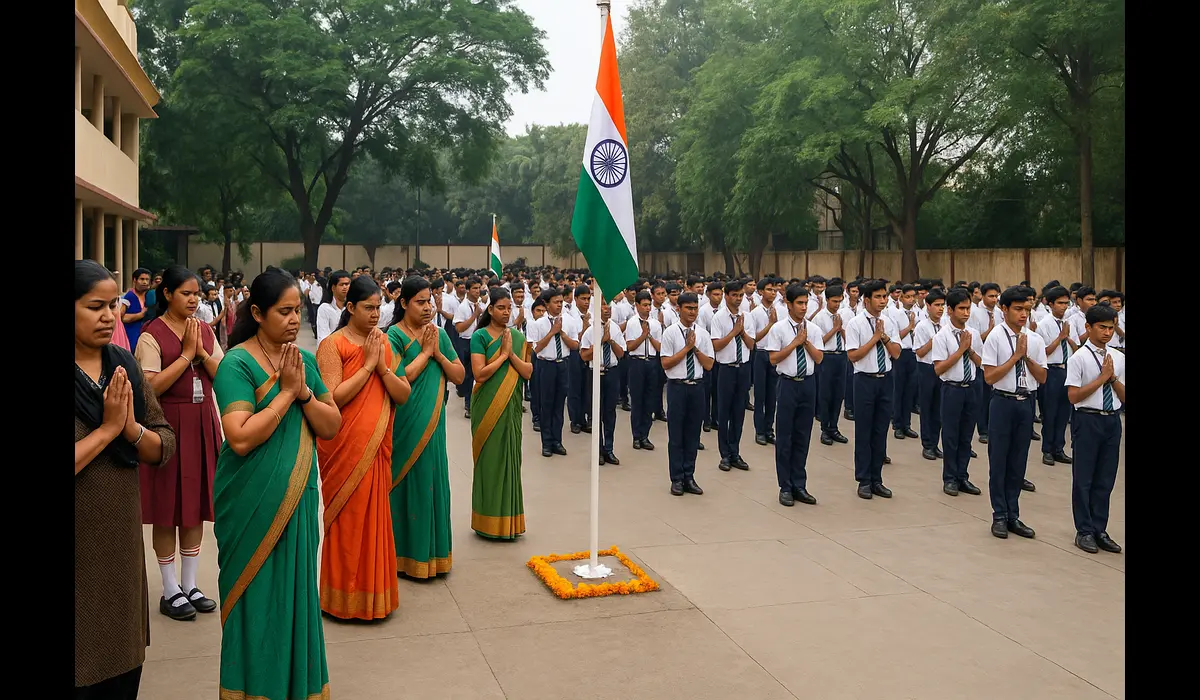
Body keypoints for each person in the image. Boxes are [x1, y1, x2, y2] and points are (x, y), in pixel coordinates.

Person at [212, 268, 342, 700]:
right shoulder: (236, 363)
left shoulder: (302, 361)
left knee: (296, 595)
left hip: (298, 498)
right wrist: (287, 393)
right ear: (256, 313)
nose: (293, 319)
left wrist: (303, 393)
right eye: (283, 311)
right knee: (257, 599)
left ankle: (295, 687)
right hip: (251, 501)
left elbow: (331, 424)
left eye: (295, 310)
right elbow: (241, 437)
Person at [76, 260, 175, 700]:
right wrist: (106, 430)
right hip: (79, 549)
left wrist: (131, 429)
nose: (108, 315)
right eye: (94, 306)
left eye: (113, 305)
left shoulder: (122, 365)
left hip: (119, 546)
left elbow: (164, 444)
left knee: (121, 669)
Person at [315, 276, 412, 619]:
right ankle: (341, 599)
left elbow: (402, 393)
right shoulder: (333, 345)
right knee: (348, 521)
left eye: (378, 307)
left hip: (376, 450)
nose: (375, 314)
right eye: (368, 308)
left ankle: (374, 597)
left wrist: (382, 367)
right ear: (350, 307)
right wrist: (368, 365)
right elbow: (332, 398)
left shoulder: (383, 343)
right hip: (344, 448)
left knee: (374, 520)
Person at [134, 266, 225, 621]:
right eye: (186, 293)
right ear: (167, 293)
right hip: (167, 426)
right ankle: (169, 588)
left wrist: (201, 353)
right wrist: (187, 355)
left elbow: (222, 372)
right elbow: (150, 388)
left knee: (194, 505)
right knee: (167, 507)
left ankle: (191, 584)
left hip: (202, 422)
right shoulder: (150, 335)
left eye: (197, 294)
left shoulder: (202, 329)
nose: (193, 300)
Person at [387, 277, 465, 577]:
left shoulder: (439, 334)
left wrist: (439, 353)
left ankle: (432, 555)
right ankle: (401, 556)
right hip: (405, 422)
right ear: (404, 303)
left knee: (432, 482)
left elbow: (459, 375)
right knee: (406, 482)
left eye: (430, 301)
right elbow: (398, 376)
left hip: (434, 425)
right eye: (420, 302)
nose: (427, 308)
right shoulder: (393, 335)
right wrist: (425, 353)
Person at [981, 286, 1048, 540]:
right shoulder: (995, 337)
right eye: (1018, 309)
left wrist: (1027, 357)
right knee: (999, 460)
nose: (1023, 315)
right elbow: (989, 376)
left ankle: (1013, 514)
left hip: (1025, 402)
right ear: (1004, 309)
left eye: (1027, 310)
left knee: (1018, 461)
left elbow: (1042, 377)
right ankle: (999, 514)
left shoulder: (1035, 339)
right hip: (1002, 402)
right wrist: (1015, 357)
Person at [470, 287, 534, 538]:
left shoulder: (518, 337)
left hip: (511, 407)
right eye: (501, 308)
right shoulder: (480, 337)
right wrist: (503, 356)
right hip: (486, 407)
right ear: (490, 309)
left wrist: (511, 356)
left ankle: (510, 522)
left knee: (510, 459)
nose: (506, 312)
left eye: (509, 308)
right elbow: (479, 373)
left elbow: (527, 372)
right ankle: (486, 523)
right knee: (490, 461)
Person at [1065, 304, 1125, 554]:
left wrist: (1112, 378)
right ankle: (1084, 530)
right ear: (1088, 327)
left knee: (1105, 478)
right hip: (1087, 419)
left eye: (1111, 328)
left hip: (1111, 420)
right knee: (1084, 478)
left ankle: (1100, 527)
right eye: (1102, 327)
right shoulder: (1078, 357)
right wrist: (1100, 379)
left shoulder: (1119, 357)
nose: (1107, 333)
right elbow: (1073, 396)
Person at [845, 280, 901, 499]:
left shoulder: (889, 322)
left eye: (884, 296)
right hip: (864, 380)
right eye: (878, 297)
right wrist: (874, 339)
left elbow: (896, 353)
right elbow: (853, 355)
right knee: (864, 431)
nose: (883, 301)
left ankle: (877, 479)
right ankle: (864, 479)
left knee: (880, 431)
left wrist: (884, 336)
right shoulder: (856, 324)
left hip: (885, 379)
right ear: (866, 300)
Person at [768, 284, 823, 507]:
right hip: (788, 384)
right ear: (788, 304)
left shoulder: (814, 329)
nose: (803, 307)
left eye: (805, 303)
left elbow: (819, 358)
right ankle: (785, 486)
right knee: (785, 437)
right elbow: (773, 359)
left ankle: (800, 484)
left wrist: (806, 341)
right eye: (799, 303)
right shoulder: (779, 329)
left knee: (803, 435)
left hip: (808, 384)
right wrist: (794, 343)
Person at [930, 289, 984, 497]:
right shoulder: (941, 336)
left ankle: (963, 476)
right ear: (950, 310)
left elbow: (982, 363)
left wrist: (969, 349)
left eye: (968, 308)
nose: (965, 313)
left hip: (971, 387)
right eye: (961, 308)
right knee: (951, 435)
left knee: (966, 435)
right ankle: (950, 478)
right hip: (952, 389)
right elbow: (938, 368)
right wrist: (961, 350)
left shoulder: (973, 334)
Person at [660, 292, 715, 496]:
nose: (692, 312)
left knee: (693, 434)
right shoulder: (671, 333)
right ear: (679, 309)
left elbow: (709, 364)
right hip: (677, 387)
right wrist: (687, 348)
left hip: (697, 387)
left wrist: (696, 349)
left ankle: (689, 476)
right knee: (676, 435)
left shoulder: (703, 334)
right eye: (688, 308)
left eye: (695, 308)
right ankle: (676, 478)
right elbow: (666, 363)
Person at [526, 288, 578, 458]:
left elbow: (574, 345)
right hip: (545, 365)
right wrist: (552, 332)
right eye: (555, 302)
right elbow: (536, 348)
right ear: (546, 304)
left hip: (563, 364)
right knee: (546, 405)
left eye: (561, 302)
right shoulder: (537, 324)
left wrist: (561, 333)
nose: (559, 305)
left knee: (559, 404)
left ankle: (557, 441)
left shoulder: (569, 321)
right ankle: (546, 442)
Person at [711, 280, 756, 471]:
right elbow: (716, 346)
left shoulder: (747, 317)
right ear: (726, 295)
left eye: (740, 295)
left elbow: (751, 345)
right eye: (734, 295)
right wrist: (733, 332)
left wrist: (742, 331)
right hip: (726, 369)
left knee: (739, 412)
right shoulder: (718, 318)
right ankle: (724, 455)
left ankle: (735, 451)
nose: (738, 299)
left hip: (743, 368)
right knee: (724, 412)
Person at [1035, 286, 1078, 467]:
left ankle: (1059, 448)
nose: (1064, 306)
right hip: (1051, 370)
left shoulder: (1070, 323)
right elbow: (1043, 352)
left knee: (1063, 412)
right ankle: (1047, 450)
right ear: (1050, 304)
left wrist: (1068, 339)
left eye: (1066, 303)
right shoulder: (1044, 324)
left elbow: (1076, 348)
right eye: (1060, 303)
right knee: (1050, 412)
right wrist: (1060, 338)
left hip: (1067, 369)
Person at [580, 298, 626, 465]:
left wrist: (610, 340)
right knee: (596, 413)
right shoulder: (590, 331)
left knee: (610, 413)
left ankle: (609, 449)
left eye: (609, 306)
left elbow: (621, 354)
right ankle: (598, 450)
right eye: (604, 306)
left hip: (612, 372)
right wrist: (601, 341)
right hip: (595, 372)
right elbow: (584, 356)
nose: (607, 309)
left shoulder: (615, 328)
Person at [813, 285, 851, 446]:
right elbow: (818, 342)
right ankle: (824, 429)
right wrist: (834, 329)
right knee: (826, 394)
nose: (837, 304)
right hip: (826, 357)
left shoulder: (844, 315)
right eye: (834, 301)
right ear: (827, 300)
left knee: (838, 394)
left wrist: (841, 328)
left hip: (841, 356)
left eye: (840, 301)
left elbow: (850, 338)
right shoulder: (819, 318)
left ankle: (834, 427)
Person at [625, 289, 663, 451]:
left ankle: (645, 435)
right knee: (637, 400)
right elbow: (630, 346)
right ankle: (636, 435)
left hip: (652, 362)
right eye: (644, 305)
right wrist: (642, 335)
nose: (647, 308)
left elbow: (660, 347)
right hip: (637, 362)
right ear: (637, 305)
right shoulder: (632, 323)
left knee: (649, 400)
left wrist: (650, 336)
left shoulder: (655, 324)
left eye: (649, 305)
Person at [912, 288, 946, 461]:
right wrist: (935, 340)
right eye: (937, 305)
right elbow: (919, 352)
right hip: (927, 368)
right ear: (928, 306)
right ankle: (927, 444)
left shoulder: (946, 324)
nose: (940, 309)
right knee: (927, 407)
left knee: (939, 409)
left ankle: (935, 442)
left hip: (943, 368)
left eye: (942, 305)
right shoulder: (922, 327)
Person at [748, 278, 779, 446]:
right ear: (760, 292)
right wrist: (771, 324)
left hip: (775, 354)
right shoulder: (755, 313)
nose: (772, 293)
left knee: (772, 396)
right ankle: (759, 431)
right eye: (769, 289)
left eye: (774, 290)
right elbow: (753, 339)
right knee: (760, 395)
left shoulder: (780, 310)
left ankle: (769, 429)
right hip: (760, 354)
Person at [452, 276, 488, 418]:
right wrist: (474, 315)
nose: (477, 291)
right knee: (468, 374)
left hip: (480, 341)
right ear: (467, 290)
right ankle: (468, 404)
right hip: (466, 341)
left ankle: (479, 401)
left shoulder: (482, 305)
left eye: (479, 288)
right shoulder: (462, 307)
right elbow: (459, 328)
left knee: (480, 373)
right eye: (474, 288)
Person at [316, 269, 351, 345]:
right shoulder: (324, 309)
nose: (345, 287)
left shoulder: (353, 308)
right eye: (341, 284)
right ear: (333, 288)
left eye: (347, 284)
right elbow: (323, 337)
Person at [123, 268, 153, 351]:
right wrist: (141, 315)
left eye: (147, 279)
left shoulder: (150, 295)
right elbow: (121, 317)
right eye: (142, 279)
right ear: (135, 280)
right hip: (131, 337)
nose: (145, 282)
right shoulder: (129, 296)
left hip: (148, 337)